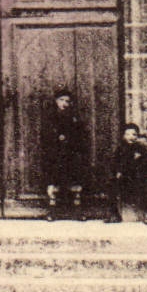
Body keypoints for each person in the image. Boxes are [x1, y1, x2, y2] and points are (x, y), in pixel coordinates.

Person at [40, 88, 90, 220]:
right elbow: (45, 136)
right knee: (53, 180)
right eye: (61, 100)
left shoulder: (74, 119)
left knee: (75, 179)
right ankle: (52, 210)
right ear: (56, 101)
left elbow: (81, 136)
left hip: (71, 154)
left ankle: (78, 210)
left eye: (67, 101)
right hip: (55, 154)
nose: (64, 103)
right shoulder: (50, 118)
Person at [109, 122, 147, 224]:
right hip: (125, 178)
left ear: (137, 136)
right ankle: (114, 213)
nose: (131, 137)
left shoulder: (141, 149)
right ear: (123, 136)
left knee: (145, 189)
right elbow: (115, 163)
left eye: (134, 134)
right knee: (112, 186)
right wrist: (118, 171)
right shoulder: (120, 149)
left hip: (138, 177)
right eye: (128, 134)